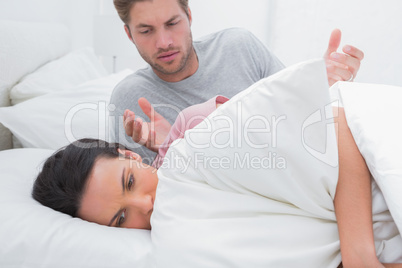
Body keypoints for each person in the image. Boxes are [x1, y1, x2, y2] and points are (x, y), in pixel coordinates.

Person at [32, 100, 400, 267]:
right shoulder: (184, 244)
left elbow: (332, 124)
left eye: (130, 182)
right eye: (120, 219)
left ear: (130, 156)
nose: (145, 205)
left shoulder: (199, 139)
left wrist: (360, 256)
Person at [109, 0, 364, 163]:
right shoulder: (129, 100)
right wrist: (170, 148)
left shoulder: (239, 46)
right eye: (146, 30)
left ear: (188, 15)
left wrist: (322, 86)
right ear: (129, 34)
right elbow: (149, 198)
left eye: (172, 23)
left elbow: (298, 117)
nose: (164, 42)